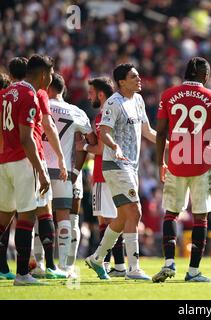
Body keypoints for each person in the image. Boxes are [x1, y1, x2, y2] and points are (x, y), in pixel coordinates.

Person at [153, 57, 211, 283]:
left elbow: (161, 133)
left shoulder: (168, 95)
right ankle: (193, 271)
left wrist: (159, 163)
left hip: (176, 161)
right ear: (204, 76)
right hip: (202, 163)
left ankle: (169, 263)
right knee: (200, 216)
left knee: (171, 213)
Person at [85, 63, 157, 280]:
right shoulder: (113, 103)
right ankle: (133, 268)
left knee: (122, 217)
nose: (139, 79)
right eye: (134, 77)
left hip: (131, 166)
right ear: (122, 82)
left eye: (138, 75)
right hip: (114, 165)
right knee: (135, 212)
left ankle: (97, 258)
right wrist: (114, 146)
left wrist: (168, 143)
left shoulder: (138, 100)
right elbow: (105, 132)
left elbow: (147, 131)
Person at [1, 56, 67, 281]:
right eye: (50, 74)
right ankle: (22, 274)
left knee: (3, 219)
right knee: (27, 216)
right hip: (23, 161)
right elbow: (27, 138)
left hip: (4, 162)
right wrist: (40, 169)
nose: (51, 78)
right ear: (42, 74)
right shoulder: (30, 96)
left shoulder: (6, 93)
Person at [36, 73, 96, 277]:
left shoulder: (39, 104)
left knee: (39, 217)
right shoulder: (76, 111)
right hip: (64, 171)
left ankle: (39, 264)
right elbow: (91, 139)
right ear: (63, 90)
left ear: (49, 88)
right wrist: (77, 168)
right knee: (65, 217)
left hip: (39, 168)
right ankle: (63, 266)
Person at [77, 76, 126, 277]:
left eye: (91, 93)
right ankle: (120, 265)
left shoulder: (102, 117)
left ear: (100, 94)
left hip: (102, 174)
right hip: (118, 172)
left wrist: (85, 146)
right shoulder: (119, 112)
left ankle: (104, 263)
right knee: (115, 220)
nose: (89, 97)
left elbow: (101, 149)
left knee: (105, 222)